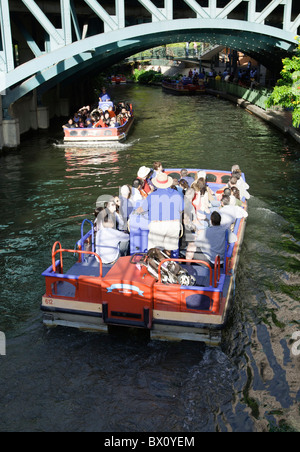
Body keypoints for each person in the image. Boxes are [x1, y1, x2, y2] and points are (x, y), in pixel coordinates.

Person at [140, 172, 184, 253]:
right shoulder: (177, 194)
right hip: (173, 225)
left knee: (155, 250)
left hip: (157, 225)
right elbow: (181, 209)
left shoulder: (152, 195)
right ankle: (167, 263)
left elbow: (143, 209)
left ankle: (159, 264)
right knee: (169, 250)